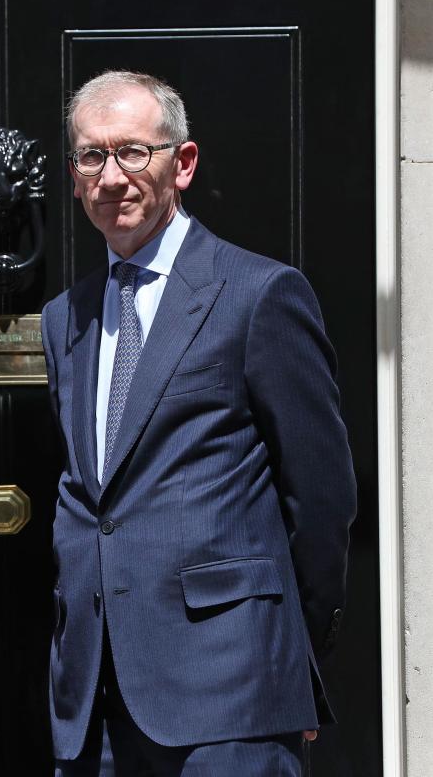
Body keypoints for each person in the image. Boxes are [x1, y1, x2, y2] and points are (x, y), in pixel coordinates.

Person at [41, 70, 356, 776]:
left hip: (230, 692)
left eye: (132, 152)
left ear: (180, 164)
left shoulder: (258, 294)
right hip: (94, 699)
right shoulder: (65, 317)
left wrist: (284, 655)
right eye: (91, 156)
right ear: (72, 176)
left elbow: (322, 496)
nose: (111, 176)